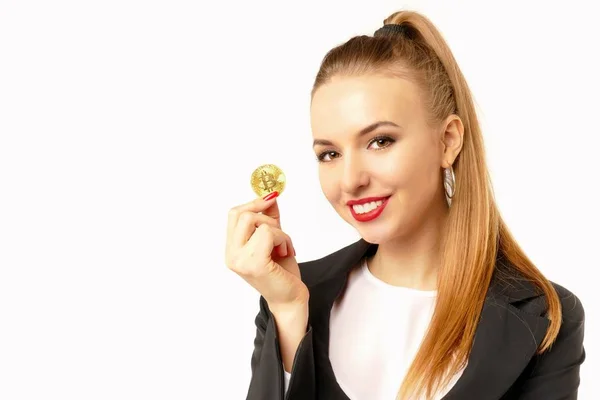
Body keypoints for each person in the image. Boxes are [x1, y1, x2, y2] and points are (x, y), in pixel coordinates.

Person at [225, 9, 586, 400]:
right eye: (329, 154)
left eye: (380, 141)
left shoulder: (543, 316)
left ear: (448, 141)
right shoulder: (293, 298)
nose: (350, 180)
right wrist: (291, 316)